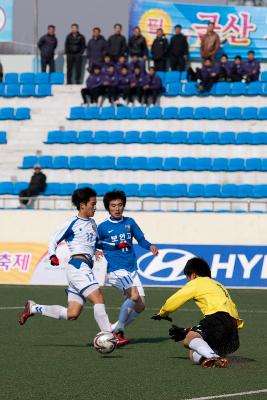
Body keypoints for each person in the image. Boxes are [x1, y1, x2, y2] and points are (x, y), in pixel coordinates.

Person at [19, 187, 114, 340]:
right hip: (78, 267)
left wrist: (105, 247)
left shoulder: (93, 223)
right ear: (82, 205)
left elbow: (94, 243)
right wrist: (52, 255)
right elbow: (53, 238)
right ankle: (109, 336)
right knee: (98, 298)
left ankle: (34, 308)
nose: (95, 207)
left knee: (72, 313)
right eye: (93, 204)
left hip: (81, 268)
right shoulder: (72, 223)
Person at [152, 257, 243, 368]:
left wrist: (162, 313)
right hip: (233, 331)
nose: (188, 281)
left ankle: (213, 356)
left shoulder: (197, 282)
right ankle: (214, 357)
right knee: (193, 353)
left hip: (218, 318)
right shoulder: (219, 285)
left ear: (194, 275)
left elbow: (175, 299)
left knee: (188, 339)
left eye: (188, 278)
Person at [97, 190, 158, 345]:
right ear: (108, 208)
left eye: (120, 205)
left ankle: (114, 329)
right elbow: (96, 243)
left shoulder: (129, 222)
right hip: (115, 270)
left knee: (141, 305)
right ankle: (119, 331)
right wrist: (97, 250)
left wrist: (149, 246)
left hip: (131, 268)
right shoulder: (103, 227)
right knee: (134, 296)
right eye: (113, 206)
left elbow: (141, 239)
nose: (117, 208)